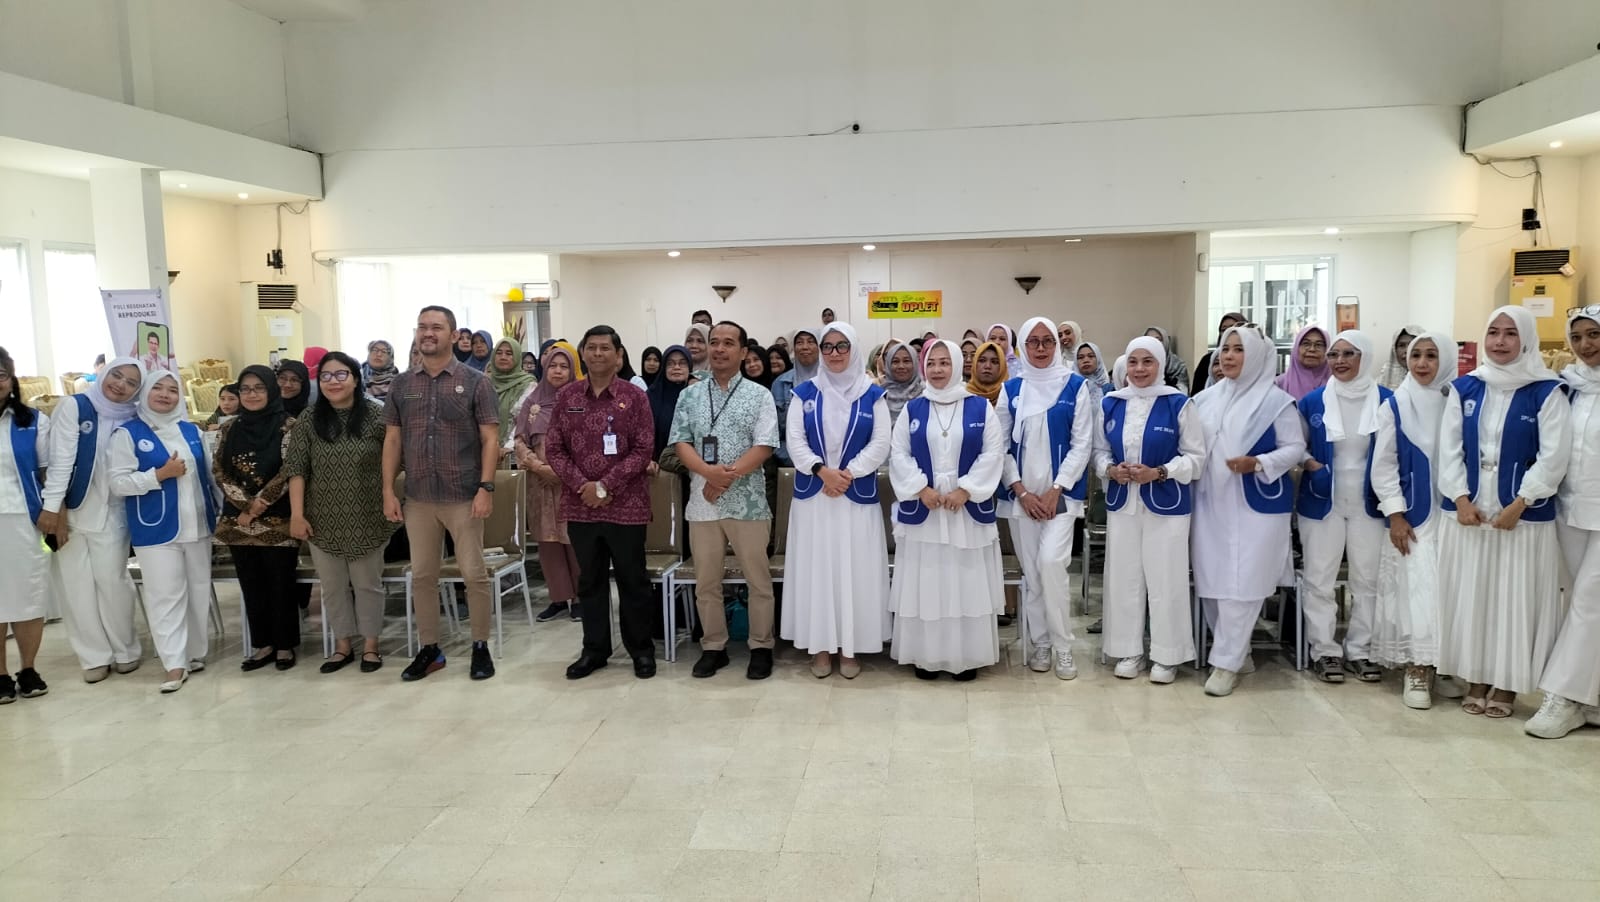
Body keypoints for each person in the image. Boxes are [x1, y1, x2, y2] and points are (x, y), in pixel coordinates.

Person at [1437, 306, 1571, 719]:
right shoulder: (1465, 388)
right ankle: (1476, 678)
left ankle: (1508, 684)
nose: (1499, 341)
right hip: (1470, 514)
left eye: (1510, 333)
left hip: (1522, 517)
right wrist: (1460, 498)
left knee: (1515, 601)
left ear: (1526, 339)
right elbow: (1449, 450)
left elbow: (1554, 457)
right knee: (1475, 598)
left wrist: (1521, 502)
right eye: (1493, 332)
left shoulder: (1547, 391)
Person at [382, 305, 502, 682]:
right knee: (422, 576)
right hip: (418, 497)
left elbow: (490, 439)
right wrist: (387, 490)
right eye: (422, 327)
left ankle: (480, 646)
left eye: (436, 327)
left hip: (463, 495)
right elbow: (393, 440)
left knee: (473, 574)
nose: (428, 333)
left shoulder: (476, 382)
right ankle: (430, 649)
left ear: (454, 335)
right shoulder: (402, 385)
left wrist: (486, 488)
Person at [1192, 325, 1305, 697]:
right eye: (1225, 348)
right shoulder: (1206, 399)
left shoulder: (1275, 402)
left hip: (1256, 506)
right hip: (1211, 503)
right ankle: (1237, 653)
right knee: (1212, 580)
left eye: (1238, 349)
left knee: (1244, 583)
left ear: (1255, 356)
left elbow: (1294, 448)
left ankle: (1225, 663)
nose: (1228, 356)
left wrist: (1258, 463)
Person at [887, 340, 1006, 680]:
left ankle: (966, 657)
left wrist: (966, 489)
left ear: (956, 365)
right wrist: (920, 488)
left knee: (964, 581)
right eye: (932, 363)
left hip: (964, 511)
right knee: (927, 580)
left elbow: (993, 453)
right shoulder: (913, 408)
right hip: (925, 508)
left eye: (944, 362)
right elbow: (899, 453)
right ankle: (926, 656)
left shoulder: (980, 407)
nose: (937, 369)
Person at [547, 326, 659, 680]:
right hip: (580, 505)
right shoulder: (566, 397)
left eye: (605, 348)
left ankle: (641, 650)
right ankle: (594, 650)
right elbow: (554, 449)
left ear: (619, 356)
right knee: (590, 582)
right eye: (591, 347)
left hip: (627, 505)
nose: (598, 353)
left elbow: (644, 448)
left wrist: (606, 485)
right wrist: (584, 485)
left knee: (633, 581)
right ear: (582, 353)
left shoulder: (635, 397)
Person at [670, 321, 780, 680]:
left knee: (758, 580)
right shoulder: (690, 395)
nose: (719, 349)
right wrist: (708, 473)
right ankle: (713, 647)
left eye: (728, 343)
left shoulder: (759, 395)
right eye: (714, 342)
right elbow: (681, 442)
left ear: (743, 352)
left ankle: (761, 646)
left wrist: (722, 479)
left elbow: (764, 446)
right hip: (702, 503)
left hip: (748, 503)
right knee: (706, 581)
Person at [1094, 336, 1205, 684]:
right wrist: (1109, 470)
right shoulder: (1111, 404)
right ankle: (1129, 650)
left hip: (1167, 506)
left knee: (1166, 579)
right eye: (1133, 361)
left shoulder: (1178, 404)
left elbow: (1196, 459)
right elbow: (1099, 452)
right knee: (1124, 579)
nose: (1139, 369)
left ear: (1161, 365)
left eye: (1148, 362)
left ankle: (1167, 655)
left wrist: (1159, 472)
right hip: (1123, 504)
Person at [783, 322, 890, 678]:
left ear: (854, 348)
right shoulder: (804, 393)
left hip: (854, 497)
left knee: (855, 572)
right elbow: (795, 440)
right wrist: (821, 471)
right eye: (827, 347)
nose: (834, 353)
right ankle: (821, 646)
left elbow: (881, 443)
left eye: (842, 345)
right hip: (815, 498)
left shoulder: (872, 394)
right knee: (817, 571)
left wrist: (847, 474)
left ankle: (850, 647)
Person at [993, 317, 1095, 680]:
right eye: (1033, 341)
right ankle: (1041, 643)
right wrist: (1020, 491)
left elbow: (1082, 444)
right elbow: (999, 446)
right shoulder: (1011, 389)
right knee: (1034, 575)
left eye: (1047, 341)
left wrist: (1056, 489)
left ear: (1057, 344)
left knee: (1052, 565)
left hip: (1061, 499)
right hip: (1021, 500)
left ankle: (1063, 646)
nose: (1040, 348)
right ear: (1023, 346)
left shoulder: (1075, 386)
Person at [287, 352, 398, 674]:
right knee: (332, 586)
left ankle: (371, 646)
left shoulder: (376, 415)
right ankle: (343, 646)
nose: (333, 382)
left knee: (367, 584)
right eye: (326, 376)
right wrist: (297, 514)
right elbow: (296, 469)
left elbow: (394, 458)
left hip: (368, 514)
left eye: (340, 375)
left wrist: (389, 494)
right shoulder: (309, 419)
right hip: (321, 518)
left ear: (355, 378)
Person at [109, 369, 217, 693]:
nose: (165, 395)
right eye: (158, 388)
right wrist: (158, 475)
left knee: (198, 591)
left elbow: (209, 477)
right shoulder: (127, 434)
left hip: (197, 525)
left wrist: (221, 512)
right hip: (155, 528)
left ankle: (194, 654)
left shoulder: (191, 430)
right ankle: (174, 664)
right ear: (144, 393)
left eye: (172, 389)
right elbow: (118, 484)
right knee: (165, 596)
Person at [39, 356, 144, 683]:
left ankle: (125, 650)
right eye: (117, 375)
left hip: (114, 511)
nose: (120, 385)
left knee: (114, 583)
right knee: (76, 587)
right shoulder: (75, 406)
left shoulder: (135, 416)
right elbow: (60, 462)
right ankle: (93, 656)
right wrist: (53, 509)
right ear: (104, 373)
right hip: (70, 511)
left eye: (131, 383)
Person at [1297, 331, 1392, 683]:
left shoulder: (1387, 401)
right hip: (1322, 501)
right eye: (1334, 354)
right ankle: (1324, 651)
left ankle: (1361, 650)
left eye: (1348, 354)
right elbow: (1295, 445)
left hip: (1370, 503)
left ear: (1364, 357)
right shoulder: (1312, 401)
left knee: (1367, 579)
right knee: (1319, 578)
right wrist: (1312, 465)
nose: (1339, 361)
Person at [1371, 330, 1457, 709]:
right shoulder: (1395, 405)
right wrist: (1395, 514)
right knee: (1418, 590)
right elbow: (1383, 466)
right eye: (1415, 355)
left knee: (1447, 591)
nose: (1421, 363)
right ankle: (1417, 668)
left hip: (1454, 518)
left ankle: (1443, 665)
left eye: (1431, 356)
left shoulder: (1458, 401)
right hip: (1414, 517)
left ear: (1446, 359)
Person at [1527, 308, 1600, 737]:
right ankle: (1590, 695)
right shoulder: (1565, 388)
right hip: (1569, 508)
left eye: (1594, 335)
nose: (1586, 345)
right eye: (1578, 337)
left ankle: (1562, 697)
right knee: (1575, 600)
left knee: (1590, 598)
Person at [214, 365, 301, 672]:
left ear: (271, 391)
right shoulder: (228, 429)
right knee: (251, 585)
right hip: (239, 520)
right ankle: (263, 644)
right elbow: (219, 470)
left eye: (259, 388)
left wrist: (258, 504)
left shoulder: (289, 426)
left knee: (280, 583)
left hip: (277, 518)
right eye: (246, 389)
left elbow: (290, 468)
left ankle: (285, 645)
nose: (251, 395)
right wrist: (245, 504)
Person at [515, 341, 585, 623]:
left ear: (572, 370)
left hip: (572, 483)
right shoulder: (532, 402)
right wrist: (538, 466)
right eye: (553, 365)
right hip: (540, 484)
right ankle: (558, 597)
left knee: (574, 541)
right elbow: (519, 440)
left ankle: (580, 598)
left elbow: (588, 443)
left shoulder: (581, 400)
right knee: (548, 542)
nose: (557, 370)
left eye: (564, 366)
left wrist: (562, 471)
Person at [0, 347, 52, 703]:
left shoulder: (32, 421)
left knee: (28, 595)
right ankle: (0, 674)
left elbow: (49, 471)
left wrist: (53, 512)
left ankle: (28, 669)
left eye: (1, 375)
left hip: (24, 519)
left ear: (11, 379)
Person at [771, 327, 820, 465]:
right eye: (799, 342)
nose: (805, 347)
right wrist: (795, 458)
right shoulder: (780, 383)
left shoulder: (834, 382)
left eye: (811, 342)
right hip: (791, 461)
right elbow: (773, 434)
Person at [488, 337, 536, 450]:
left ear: (517, 357)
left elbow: (523, 421)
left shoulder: (528, 384)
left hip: (514, 450)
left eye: (509, 353)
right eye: (499, 353)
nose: (503, 357)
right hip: (485, 449)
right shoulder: (484, 383)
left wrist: (507, 448)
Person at [648, 345, 693, 461]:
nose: (676, 367)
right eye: (670, 363)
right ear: (664, 368)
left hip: (697, 463)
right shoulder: (651, 396)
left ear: (690, 367)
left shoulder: (698, 394)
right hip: (660, 463)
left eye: (682, 363)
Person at [1191, 312, 1245, 398]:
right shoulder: (1207, 360)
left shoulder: (1249, 358)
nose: (1227, 332)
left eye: (1232, 328)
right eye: (1223, 329)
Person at [1276, 326, 1331, 402]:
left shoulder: (1336, 384)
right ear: (1296, 348)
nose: (1312, 349)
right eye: (1306, 344)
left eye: (1319, 345)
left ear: (1327, 350)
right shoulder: (1279, 384)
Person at [880, 341, 923, 421]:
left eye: (906, 361)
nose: (901, 366)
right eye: (895, 361)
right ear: (888, 364)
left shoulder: (925, 396)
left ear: (915, 363)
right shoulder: (879, 395)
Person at [1143, 326, 1190, 393]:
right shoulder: (1138, 364)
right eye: (1150, 340)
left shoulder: (1178, 365)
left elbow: (1183, 393)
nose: (1154, 342)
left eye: (1158, 339)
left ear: (1165, 342)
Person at [1380, 325, 1425, 390]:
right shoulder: (1386, 374)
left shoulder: (1432, 377)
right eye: (1401, 345)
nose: (1407, 350)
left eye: (1412, 344)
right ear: (1395, 350)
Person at [965, 340, 1008, 405]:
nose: (988, 366)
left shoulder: (1009, 396)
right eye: (982, 360)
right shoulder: (963, 396)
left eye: (994, 362)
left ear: (1002, 367)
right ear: (974, 364)